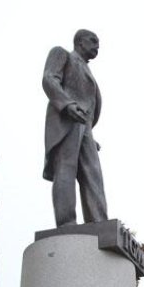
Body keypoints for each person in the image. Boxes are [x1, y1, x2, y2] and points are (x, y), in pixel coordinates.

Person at [42, 29, 108, 227]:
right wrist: (67, 104)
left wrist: (88, 133)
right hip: (67, 120)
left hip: (84, 127)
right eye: (93, 41)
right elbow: (49, 78)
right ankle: (66, 223)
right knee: (66, 170)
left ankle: (98, 223)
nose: (97, 46)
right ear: (80, 42)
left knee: (93, 174)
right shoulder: (62, 54)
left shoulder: (88, 70)